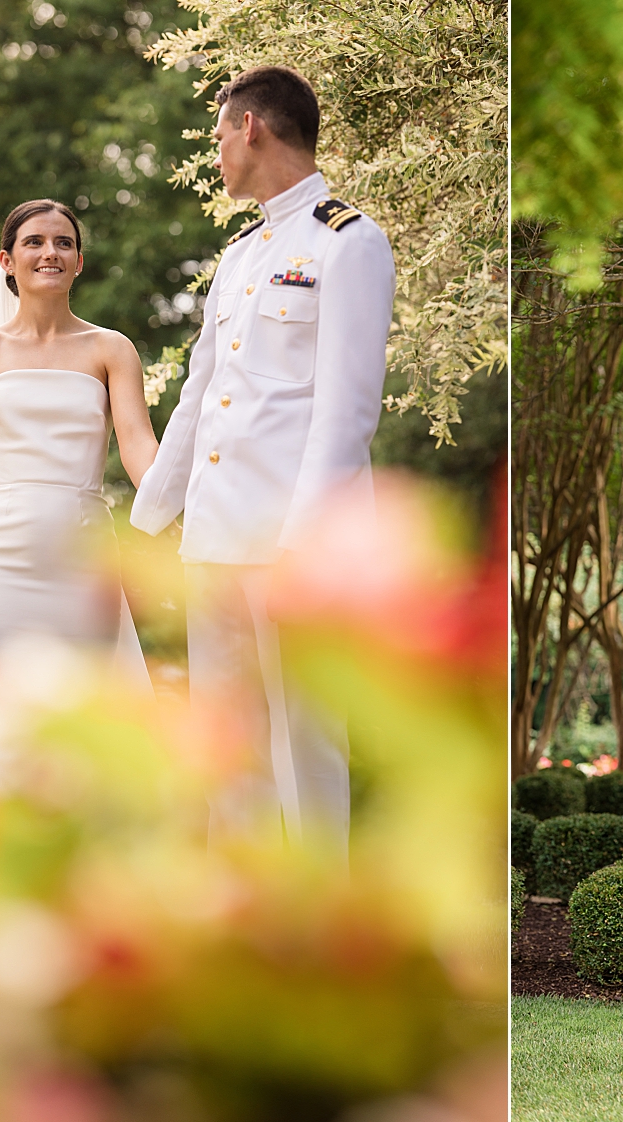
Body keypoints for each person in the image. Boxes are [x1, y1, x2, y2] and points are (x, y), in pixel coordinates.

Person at [129, 66, 396, 856]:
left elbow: (346, 412)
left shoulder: (349, 242)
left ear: (251, 127)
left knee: (307, 740)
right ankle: (241, 921)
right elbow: (198, 396)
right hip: (213, 541)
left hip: (290, 545)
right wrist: (146, 523)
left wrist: (302, 552)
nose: (216, 153)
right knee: (230, 743)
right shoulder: (241, 255)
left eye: (217, 136)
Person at [0, 199, 158, 801]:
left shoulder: (111, 350)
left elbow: (141, 448)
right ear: (7, 261)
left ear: (80, 261)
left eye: (64, 243)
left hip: (81, 561)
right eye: (35, 242)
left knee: (81, 708)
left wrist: (186, 500)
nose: (50, 253)